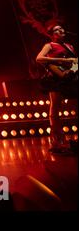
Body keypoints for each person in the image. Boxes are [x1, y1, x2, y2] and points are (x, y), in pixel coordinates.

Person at [36, 24, 77, 154]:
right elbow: (39, 58)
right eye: (57, 30)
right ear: (52, 34)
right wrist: (63, 61)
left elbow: (74, 62)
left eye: (62, 28)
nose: (61, 30)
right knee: (55, 109)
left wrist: (73, 68)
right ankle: (57, 141)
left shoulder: (70, 46)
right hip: (55, 79)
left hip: (69, 79)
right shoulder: (50, 45)